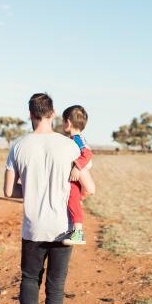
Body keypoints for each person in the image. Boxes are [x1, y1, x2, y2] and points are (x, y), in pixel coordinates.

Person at [3, 93, 94, 304]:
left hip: (33, 228)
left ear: (30, 114)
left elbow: (8, 191)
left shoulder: (18, 146)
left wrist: (30, 191)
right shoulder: (69, 147)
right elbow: (89, 188)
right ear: (53, 114)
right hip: (62, 229)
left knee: (30, 279)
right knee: (56, 287)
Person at [61, 105, 94, 246]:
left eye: (62, 121)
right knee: (74, 201)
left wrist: (77, 167)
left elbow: (87, 154)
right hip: (81, 174)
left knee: (73, 200)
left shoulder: (76, 139)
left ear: (68, 122)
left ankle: (78, 233)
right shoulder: (78, 138)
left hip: (79, 174)